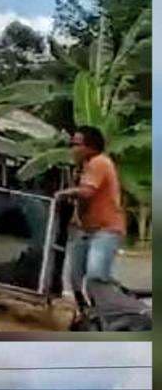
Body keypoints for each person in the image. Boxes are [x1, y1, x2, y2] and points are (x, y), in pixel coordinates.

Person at [54, 126, 125, 317]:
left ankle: (111, 312)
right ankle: (87, 313)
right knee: (75, 277)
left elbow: (87, 192)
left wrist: (64, 193)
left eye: (76, 144)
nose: (72, 149)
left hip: (106, 229)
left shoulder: (99, 163)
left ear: (90, 147)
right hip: (86, 229)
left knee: (95, 275)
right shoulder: (84, 166)